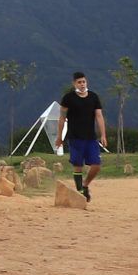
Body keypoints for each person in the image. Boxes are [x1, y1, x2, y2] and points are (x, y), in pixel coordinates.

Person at [59, 71, 107, 199]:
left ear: (87, 82)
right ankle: (80, 191)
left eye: (84, 82)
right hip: (75, 137)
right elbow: (62, 118)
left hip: (91, 137)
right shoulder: (68, 98)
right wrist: (60, 137)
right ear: (74, 83)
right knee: (78, 165)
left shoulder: (93, 97)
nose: (82, 84)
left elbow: (99, 116)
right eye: (79, 82)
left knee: (96, 165)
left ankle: (85, 184)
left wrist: (103, 134)